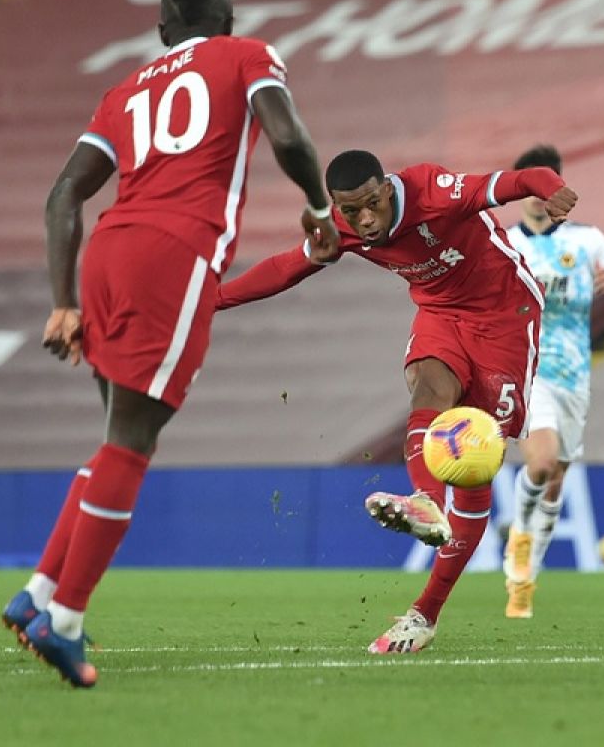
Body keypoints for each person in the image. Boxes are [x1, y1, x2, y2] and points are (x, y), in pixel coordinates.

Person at [0, 0, 339, 688]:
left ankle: (36, 596)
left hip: (105, 256)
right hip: (174, 252)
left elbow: (64, 194)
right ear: (229, 22)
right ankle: (65, 622)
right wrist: (318, 206)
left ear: (160, 32)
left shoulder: (123, 93)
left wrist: (62, 301)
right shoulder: (245, 55)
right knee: (133, 442)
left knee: (117, 432)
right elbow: (288, 135)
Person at [216, 149, 577, 653]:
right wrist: (211, 300)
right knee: (427, 390)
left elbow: (511, 181)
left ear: (387, 189)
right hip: (440, 314)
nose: (363, 219)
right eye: (350, 210)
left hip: (505, 316)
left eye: (370, 205)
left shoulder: (433, 191)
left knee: (473, 475)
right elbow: (285, 267)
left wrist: (549, 184)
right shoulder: (341, 227)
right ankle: (425, 500)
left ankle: (424, 615)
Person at [500, 145, 604, 618]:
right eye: (529, 185)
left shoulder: (587, 241)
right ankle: (518, 537)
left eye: (547, 186)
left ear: (558, 188)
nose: (538, 196)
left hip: (576, 377)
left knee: (555, 482)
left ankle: (524, 584)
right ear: (519, 188)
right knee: (539, 464)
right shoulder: (506, 245)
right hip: (529, 373)